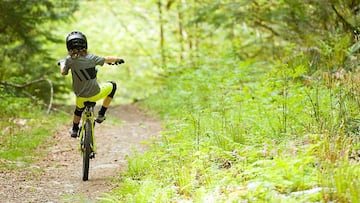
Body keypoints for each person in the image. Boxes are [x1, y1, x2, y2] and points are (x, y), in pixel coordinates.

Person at [58, 31, 124, 138]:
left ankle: (75, 129)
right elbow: (106, 59)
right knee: (113, 85)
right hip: (95, 94)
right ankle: (101, 114)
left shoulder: (69, 61)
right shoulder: (91, 57)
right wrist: (117, 59)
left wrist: (62, 63)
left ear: (68, 47)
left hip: (81, 97)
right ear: (85, 44)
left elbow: (63, 73)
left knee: (78, 110)